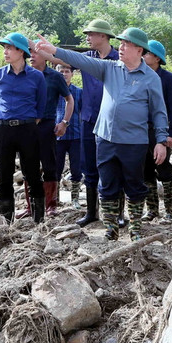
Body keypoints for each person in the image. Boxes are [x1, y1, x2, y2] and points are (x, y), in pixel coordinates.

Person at [36, 28, 168, 241]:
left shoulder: (151, 78)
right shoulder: (110, 68)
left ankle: (134, 228)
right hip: (105, 138)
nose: (121, 48)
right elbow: (80, 59)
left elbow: (159, 111)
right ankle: (111, 228)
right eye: (121, 43)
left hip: (134, 142)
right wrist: (55, 50)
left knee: (134, 185)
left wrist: (161, 141)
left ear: (139, 50)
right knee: (106, 185)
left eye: (126, 44)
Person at [67, 19, 120, 228]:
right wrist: (37, 48)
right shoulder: (87, 58)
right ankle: (91, 213)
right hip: (88, 119)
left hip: (113, 121)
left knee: (116, 167)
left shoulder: (119, 59)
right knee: (89, 167)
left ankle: (118, 214)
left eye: (91, 34)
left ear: (103, 36)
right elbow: (60, 58)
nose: (87, 38)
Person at [0, 32, 47, 223]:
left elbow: (41, 106)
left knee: (32, 174)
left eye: (9, 48)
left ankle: (39, 220)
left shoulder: (37, 77)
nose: (5, 52)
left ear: (21, 52)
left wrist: (28, 122)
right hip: (4, 130)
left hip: (27, 129)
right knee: (4, 176)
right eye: (4, 48)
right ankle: (7, 221)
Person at [17, 38, 73, 219]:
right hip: (26, 126)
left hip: (47, 125)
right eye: (29, 53)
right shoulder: (24, 74)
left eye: (34, 52)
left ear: (45, 56)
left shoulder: (55, 77)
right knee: (27, 166)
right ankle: (31, 205)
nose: (31, 56)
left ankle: (51, 205)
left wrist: (64, 122)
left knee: (49, 165)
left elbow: (69, 100)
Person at [142, 40, 172, 222]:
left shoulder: (167, 78)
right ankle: (152, 210)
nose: (143, 55)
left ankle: (169, 211)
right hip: (142, 130)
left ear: (157, 58)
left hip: (161, 130)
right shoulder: (139, 75)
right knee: (146, 170)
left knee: (164, 169)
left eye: (147, 53)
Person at [56, 65, 84, 209]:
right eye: (61, 71)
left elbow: (84, 113)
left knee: (76, 169)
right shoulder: (53, 91)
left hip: (76, 135)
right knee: (56, 169)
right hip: (56, 137)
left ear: (72, 74)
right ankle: (55, 199)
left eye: (67, 71)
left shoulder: (79, 92)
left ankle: (75, 199)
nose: (64, 74)